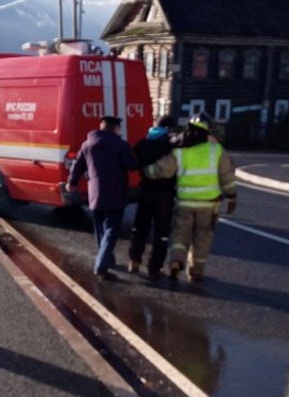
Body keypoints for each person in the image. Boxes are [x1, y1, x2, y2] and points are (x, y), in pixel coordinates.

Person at [146, 113, 237, 282]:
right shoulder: (215, 150)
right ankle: (195, 272)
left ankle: (176, 261)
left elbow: (164, 169)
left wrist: (145, 172)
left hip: (184, 202)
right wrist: (232, 197)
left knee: (180, 235)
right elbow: (227, 175)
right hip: (208, 204)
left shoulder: (180, 148)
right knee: (202, 238)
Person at [65, 115, 138, 281]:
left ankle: (107, 259)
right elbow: (132, 165)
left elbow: (77, 166)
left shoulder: (87, 145)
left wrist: (72, 183)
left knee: (100, 229)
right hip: (116, 193)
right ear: (115, 128)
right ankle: (101, 265)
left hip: (95, 194)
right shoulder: (120, 145)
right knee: (112, 229)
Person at [127, 114, 177, 279]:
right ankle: (154, 268)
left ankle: (134, 260)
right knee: (161, 232)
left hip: (145, 191)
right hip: (164, 194)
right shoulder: (170, 145)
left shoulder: (142, 144)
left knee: (140, 227)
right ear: (168, 129)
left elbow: (134, 163)